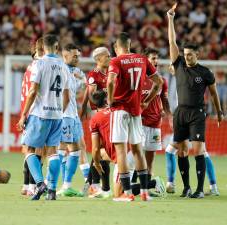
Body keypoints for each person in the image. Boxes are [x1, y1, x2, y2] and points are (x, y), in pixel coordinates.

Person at [167, 3, 223, 198]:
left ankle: (199, 189)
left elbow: (214, 94)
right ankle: (186, 187)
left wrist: (219, 112)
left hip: (197, 113)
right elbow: (172, 41)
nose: (187, 56)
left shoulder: (205, 72)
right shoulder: (179, 65)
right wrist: (170, 19)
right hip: (180, 112)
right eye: (185, 54)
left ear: (197, 55)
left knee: (198, 150)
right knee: (181, 151)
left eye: (190, 54)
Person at [107, 32, 163, 202]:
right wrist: (146, 101)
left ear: (117, 47)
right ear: (129, 45)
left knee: (122, 151)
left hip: (120, 110)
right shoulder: (142, 59)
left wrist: (110, 100)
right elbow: (158, 82)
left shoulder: (116, 61)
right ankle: (145, 192)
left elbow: (110, 82)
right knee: (138, 151)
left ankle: (126, 193)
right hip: (136, 112)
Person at [17, 34, 70, 200]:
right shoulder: (63, 65)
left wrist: (24, 114)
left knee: (28, 149)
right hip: (57, 114)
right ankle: (52, 190)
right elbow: (67, 95)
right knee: (53, 152)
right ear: (56, 47)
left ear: (43, 48)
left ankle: (39, 184)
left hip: (40, 113)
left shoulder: (39, 64)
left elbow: (32, 91)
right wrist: (60, 111)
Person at [80, 46, 111, 198]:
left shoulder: (110, 72)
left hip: (108, 114)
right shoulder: (94, 75)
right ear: (99, 59)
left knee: (99, 151)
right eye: (107, 56)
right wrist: (100, 103)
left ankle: (91, 184)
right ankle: (96, 185)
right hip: (99, 114)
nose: (110, 57)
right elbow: (91, 95)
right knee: (99, 150)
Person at [56, 43, 85, 197]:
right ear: (65, 56)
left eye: (78, 56)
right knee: (62, 148)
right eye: (75, 56)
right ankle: (56, 184)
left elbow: (84, 87)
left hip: (73, 114)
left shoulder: (76, 72)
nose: (77, 58)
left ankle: (65, 185)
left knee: (77, 148)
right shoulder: (60, 70)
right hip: (64, 115)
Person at [19, 37, 45, 196]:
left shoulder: (30, 66)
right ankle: (34, 184)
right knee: (37, 151)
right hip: (36, 111)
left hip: (27, 109)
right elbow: (34, 91)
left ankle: (26, 185)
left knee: (30, 148)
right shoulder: (41, 66)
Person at [141, 47, 171, 189]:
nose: (156, 61)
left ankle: (146, 186)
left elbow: (164, 100)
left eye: (157, 58)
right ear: (146, 60)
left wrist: (168, 114)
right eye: (153, 58)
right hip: (139, 123)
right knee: (136, 155)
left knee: (150, 158)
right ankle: (138, 184)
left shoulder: (162, 81)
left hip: (155, 123)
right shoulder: (139, 78)